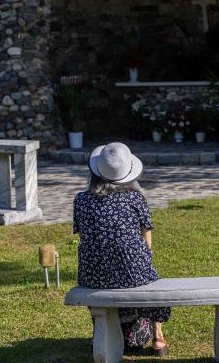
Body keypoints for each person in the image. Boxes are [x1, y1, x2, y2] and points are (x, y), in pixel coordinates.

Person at [73, 142, 171, 355]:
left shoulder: (81, 200)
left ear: (95, 172)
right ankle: (158, 336)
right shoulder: (136, 198)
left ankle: (107, 331)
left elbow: (85, 236)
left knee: (125, 274)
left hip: (93, 276)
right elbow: (147, 237)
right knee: (151, 278)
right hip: (132, 274)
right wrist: (144, 260)